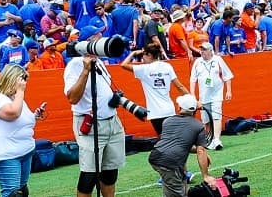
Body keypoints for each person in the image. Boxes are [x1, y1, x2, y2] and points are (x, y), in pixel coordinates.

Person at [64, 41, 125, 197]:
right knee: (89, 175)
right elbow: (72, 98)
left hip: (112, 121)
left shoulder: (99, 62)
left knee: (110, 172)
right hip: (90, 125)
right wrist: (85, 71)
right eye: (96, 39)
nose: (102, 42)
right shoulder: (75, 65)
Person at [0, 64, 47, 197]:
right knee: (12, 193)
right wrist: (20, 92)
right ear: (11, 80)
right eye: (21, 81)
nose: (23, 85)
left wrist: (35, 115)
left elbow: (21, 119)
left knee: (22, 191)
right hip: (5, 154)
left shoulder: (17, 99)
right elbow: (13, 114)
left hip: (24, 151)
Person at [147, 95, 218, 197]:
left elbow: (181, 144)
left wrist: (201, 152)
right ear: (195, 110)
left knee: (180, 183)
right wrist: (205, 176)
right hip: (170, 162)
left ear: (179, 108)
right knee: (176, 192)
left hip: (155, 156)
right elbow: (200, 151)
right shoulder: (198, 126)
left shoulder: (168, 121)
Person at [121, 42, 188, 135]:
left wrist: (133, 53)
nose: (142, 57)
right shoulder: (167, 66)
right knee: (173, 139)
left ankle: (196, 148)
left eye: (143, 54)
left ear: (149, 55)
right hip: (169, 110)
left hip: (156, 113)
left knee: (164, 141)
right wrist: (192, 99)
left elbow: (123, 65)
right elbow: (179, 86)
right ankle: (196, 148)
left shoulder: (144, 69)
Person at [188, 42, 233, 149]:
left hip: (217, 93)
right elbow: (192, 80)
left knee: (217, 116)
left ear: (210, 50)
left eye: (204, 50)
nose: (202, 51)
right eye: (201, 50)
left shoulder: (218, 60)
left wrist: (228, 91)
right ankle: (207, 139)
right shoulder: (197, 62)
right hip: (203, 96)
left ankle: (217, 139)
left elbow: (227, 76)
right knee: (206, 120)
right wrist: (193, 95)